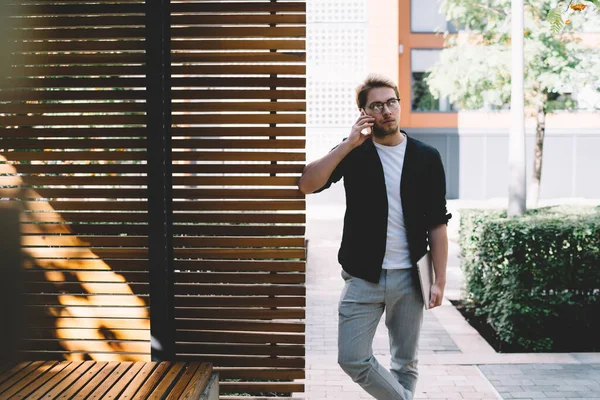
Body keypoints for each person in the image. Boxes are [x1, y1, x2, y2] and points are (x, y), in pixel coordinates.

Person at [298, 74, 451, 399]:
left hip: (412, 278)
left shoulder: (426, 157)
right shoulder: (354, 152)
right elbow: (307, 184)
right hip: (362, 278)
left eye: (391, 102)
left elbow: (437, 224)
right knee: (352, 358)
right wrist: (349, 143)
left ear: (399, 104)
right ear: (364, 112)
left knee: (405, 362)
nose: (386, 110)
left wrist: (440, 280)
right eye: (376, 105)